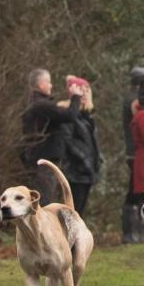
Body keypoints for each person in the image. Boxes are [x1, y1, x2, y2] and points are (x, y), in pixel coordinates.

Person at [19, 68, 82, 202]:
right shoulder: (41, 105)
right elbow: (69, 116)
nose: (51, 86)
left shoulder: (36, 104)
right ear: (41, 84)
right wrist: (76, 97)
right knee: (44, 200)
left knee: (47, 196)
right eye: (49, 82)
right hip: (44, 160)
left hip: (41, 159)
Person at [121, 66, 144, 242]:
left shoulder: (132, 98)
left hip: (135, 151)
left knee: (136, 191)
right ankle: (135, 233)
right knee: (137, 192)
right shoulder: (136, 101)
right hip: (137, 152)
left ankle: (135, 233)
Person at [60, 75, 102, 215]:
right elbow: (68, 141)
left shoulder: (88, 116)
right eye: (80, 90)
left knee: (80, 212)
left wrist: (97, 162)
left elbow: (92, 144)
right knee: (72, 211)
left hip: (88, 172)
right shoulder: (67, 114)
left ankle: (75, 237)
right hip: (74, 171)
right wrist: (83, 160)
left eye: (86, 90)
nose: (84, 93)